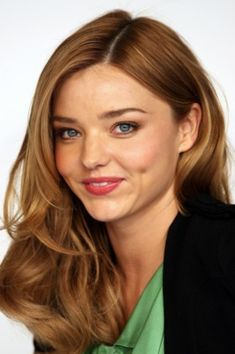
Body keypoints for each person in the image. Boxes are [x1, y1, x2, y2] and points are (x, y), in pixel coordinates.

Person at [0, 8, 235, 354]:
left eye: (124, 127)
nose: (91, 157)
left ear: (187, 128)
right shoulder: (61, 284)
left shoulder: (227, 255)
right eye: (69, 132)